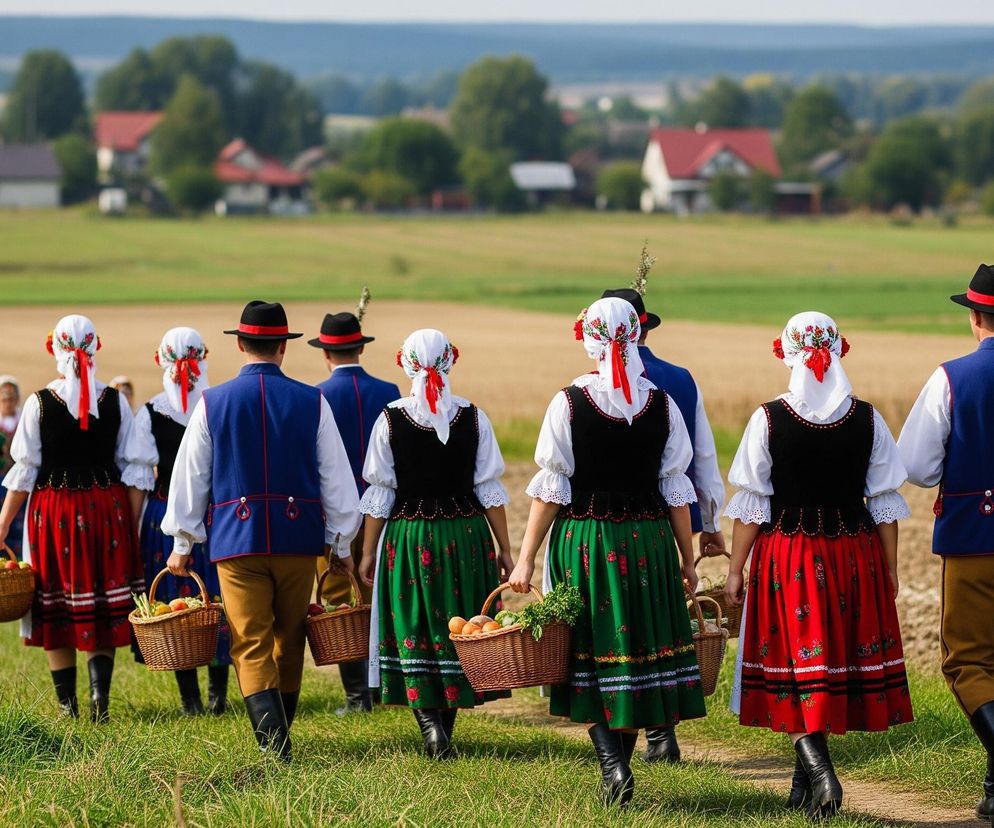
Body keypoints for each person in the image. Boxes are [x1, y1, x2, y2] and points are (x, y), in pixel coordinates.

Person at [509, 297, 706, 807]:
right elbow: (676, 491)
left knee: (591, 649)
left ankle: (613, 767)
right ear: (635, 335)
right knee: (636, 650)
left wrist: (526, 557)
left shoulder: (569, 402)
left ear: (590, 339)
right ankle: (619, 766)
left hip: (588, 543)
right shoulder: (662, 404)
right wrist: (686, 559)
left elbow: (551, 490)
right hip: (648, 543)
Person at [724, 311, 912, 820]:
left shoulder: (769, 418)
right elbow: (885, 502)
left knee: (796, 663)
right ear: (838, 350)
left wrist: (736, 569)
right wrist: (888, 568)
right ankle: (801, 786)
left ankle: (823, 775)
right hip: (853, 553)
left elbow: (752, 505)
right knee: (822, 663)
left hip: (791, 555)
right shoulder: (868, 418)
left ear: (787, 353)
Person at [162, 301, 360, 761]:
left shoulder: (213, 403)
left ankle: (275, 749)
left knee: (250, 642)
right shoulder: (313, 401)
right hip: (297, 541)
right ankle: (279, 737)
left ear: (240, 345)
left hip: (237, 541)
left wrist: (182, 541)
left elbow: (191, 476)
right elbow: (336, 478)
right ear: (282, 348)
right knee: (289, 638)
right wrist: (341, 542)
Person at [358, 328, 513, 759]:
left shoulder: (390, 419)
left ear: (406, 364)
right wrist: (505, 548)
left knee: (415, 623)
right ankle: (443, 725)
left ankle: (430, 726)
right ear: (450, 361)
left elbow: (381, 493)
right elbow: (488, 489)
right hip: (465, 535)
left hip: (410, 537)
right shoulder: (474, 417)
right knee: (459, 622)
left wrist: (367, 552)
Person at [0, 316, 152, 721]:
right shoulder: (115, 402)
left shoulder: (38, 404)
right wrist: (129, 522)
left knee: (57, 606)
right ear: (94, 348)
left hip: (55, 515)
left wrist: (2, 524)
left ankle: (68, 707)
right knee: (101, 600)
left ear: (55, 349)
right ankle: (100, 697)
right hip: (107, 511)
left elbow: (24, 472)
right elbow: (136, 468)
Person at [601, 287, 726, 765]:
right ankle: (662, 732)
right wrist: (709, 522)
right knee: (663, 618)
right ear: (645, 328)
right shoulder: (680, 379)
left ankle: (630, 729)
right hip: (672, 520)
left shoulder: (588, 386)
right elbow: (703, 455)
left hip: (606, 524)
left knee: (621, 622)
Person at [898, 263, 994, 822]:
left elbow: (917, 465)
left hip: (975, 537)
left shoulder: (952, 377)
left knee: (969, 663)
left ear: (976, 317)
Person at [131, 327, 231, 716]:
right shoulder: (219, 404)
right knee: (216, 598)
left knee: (177, 600)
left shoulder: (150, 413)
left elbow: (140, 478)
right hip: (217, 516)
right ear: (203, 358)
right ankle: (216, 694)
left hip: (165, 516)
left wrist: (133, 527)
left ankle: (193, 699)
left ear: (161, 360)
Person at [310, 310, 400, 715]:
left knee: (339, 601)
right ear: (361, 348)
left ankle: (356, 696)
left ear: (325, 353)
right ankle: (380, 687)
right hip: (384, 511)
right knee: (377, 596)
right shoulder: (389, 390)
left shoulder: (316, 395)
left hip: (335, 514)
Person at [0, 375, 25, 555]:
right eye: (4, 396)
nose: (8, 400)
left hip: (18, 481)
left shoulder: (23, 421)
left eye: (11, 396)